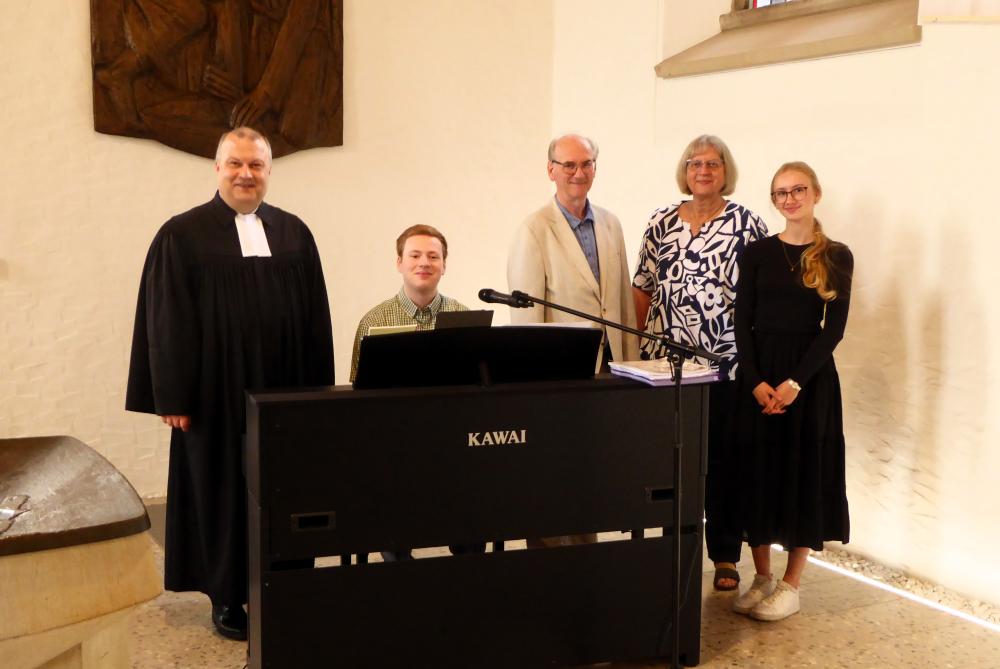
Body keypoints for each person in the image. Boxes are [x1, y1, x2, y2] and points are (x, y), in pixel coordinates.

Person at [125, 126, 334, 640]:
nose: (246, 174)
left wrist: (317, 395)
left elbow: (315, 318)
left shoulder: (293, 233)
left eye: (256, 165)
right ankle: (226, 596)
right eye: (236, 164)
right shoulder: (182, 234)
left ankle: (283, 585)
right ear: (217, 168)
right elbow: (164, 318)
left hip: (281, 390)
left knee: (283, 488)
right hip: (214, 392)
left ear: (268, 171)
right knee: (219, 488)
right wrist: (171, 395)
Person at [632, 135, 768, 590]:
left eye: (713, 163)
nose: (703, 171)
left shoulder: (747, 224)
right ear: (684, 171)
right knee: (672, 460)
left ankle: (726, 555)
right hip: (664, 365)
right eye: (695, 163)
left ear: (726, 171)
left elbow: (760, 297)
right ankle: (673, 545)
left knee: (724, 460)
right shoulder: (660, 221)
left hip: (724, 363)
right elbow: (642, 287)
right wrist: (638, 347)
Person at [730, 161, 853, 621]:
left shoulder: (836, 256)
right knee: (758, 471)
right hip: (760, 377)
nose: (789, 199)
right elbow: (742, 321)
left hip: (809, 379)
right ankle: (761, 576)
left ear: (816, 193)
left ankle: (791, 583)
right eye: (780, 193)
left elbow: (833, 330)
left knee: (804, 473)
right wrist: (757, 380)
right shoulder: (757, 253)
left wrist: (794, 382)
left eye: (798, 190)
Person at [507, 133, 639, 548]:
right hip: (559, 374)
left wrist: (630, 368)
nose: (578, 172)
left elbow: (620, 300)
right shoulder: (534, 229)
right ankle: (548, 562)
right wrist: (538, 383)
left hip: (608, 368)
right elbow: (527, 316)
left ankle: (586, 556)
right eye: (569, 165)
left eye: (586, 163)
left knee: (593, 466)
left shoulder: (611, 223)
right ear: (551, 170)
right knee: (552, 469)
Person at [350, 224, 484, 560]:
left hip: (455, 448)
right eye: (415, 255)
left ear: (444, 264)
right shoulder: (373, 321)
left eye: (433, 256)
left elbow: (479, 391)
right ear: (399, 262)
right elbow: (358, 393)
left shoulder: (465, 317)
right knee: (392, 520)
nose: (424, 262)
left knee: (475, 518)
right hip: (396, 450)